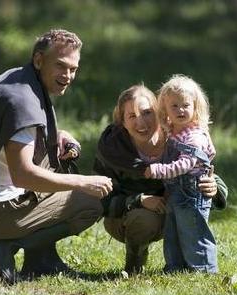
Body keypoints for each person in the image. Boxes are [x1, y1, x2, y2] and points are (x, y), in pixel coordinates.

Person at [0, 29, 113, 284]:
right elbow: (23, 174)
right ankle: (5, 249)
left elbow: (14, 135)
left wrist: (56, 134)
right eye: (60, 66)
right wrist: (83, 182)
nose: (68, 76)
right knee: (90, 203)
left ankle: (41, 261)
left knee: (57, 163)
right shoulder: (25, 103)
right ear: (39, 60)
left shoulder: (15, 80)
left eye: (73, 69)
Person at [94, 83, 227, 274]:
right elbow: (101, 200)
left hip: (176, 207)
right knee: (143, 219)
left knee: (186, 224)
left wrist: (214, 187)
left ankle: (191, 269)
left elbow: (204, 169)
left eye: (147, 112)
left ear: (160, 112)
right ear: (122, 122)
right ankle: (134, 265)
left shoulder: (177, 137)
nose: (141, 123)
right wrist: (138, 200)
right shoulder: (113, 149)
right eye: (132, 116)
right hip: (126, 217)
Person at [143, 75, 218, 273]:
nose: (180, 110)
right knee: (173, 231)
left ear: (195, 107)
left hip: (192, 192)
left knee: (193, 231)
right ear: (165, 109)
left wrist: (159, 170)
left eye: (185, 105)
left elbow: (186, 163)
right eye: (174, 106)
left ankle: (203, 269)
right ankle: (175, 266)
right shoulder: (174, 131)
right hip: (177, 192)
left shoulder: (194, 135)